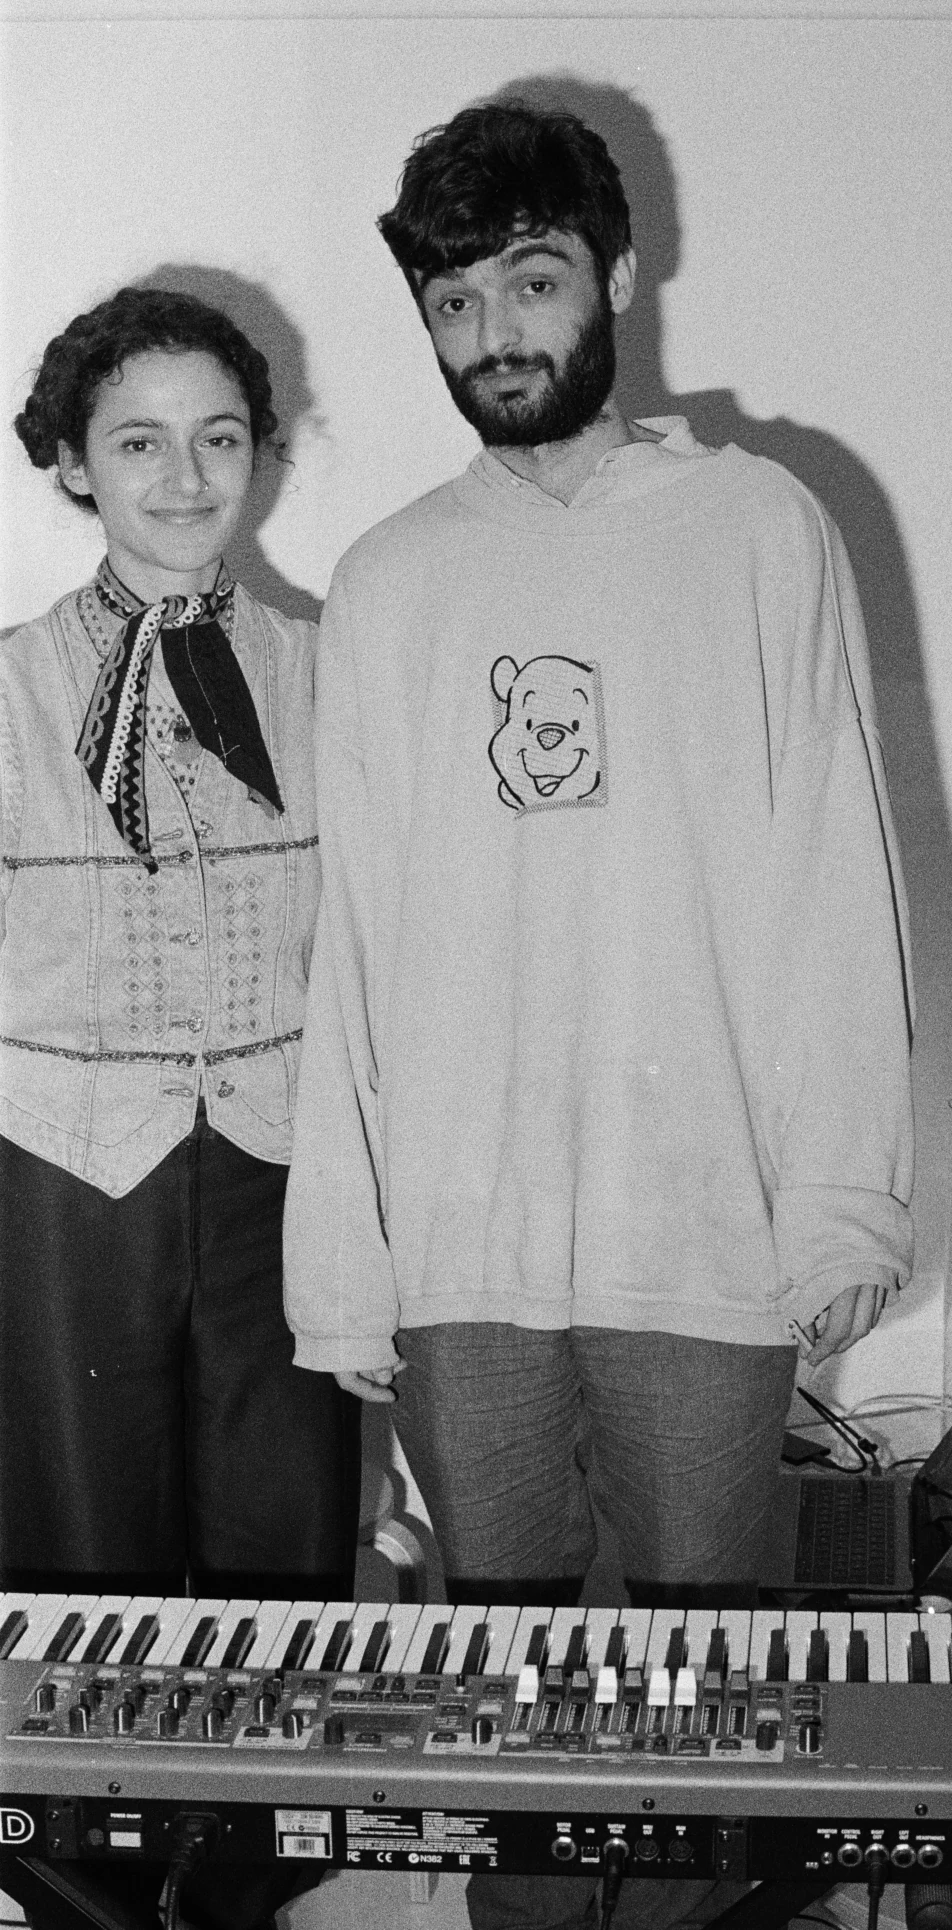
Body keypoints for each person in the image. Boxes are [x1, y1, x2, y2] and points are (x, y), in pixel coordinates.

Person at [283, 100, 913, 1930]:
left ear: (617, 277)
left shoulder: (759, 529)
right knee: (511, 1735)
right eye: (458, 301)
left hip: (700, 1231)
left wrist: (847, 1196)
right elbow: (363, 954)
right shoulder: (393, 581)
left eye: (532, 283)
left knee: (712, 1726)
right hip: (465, 1256)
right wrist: (348, 1262)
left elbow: (834, 880)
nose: (496, 336)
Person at [1, 286, 360, 1930]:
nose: (185, 474)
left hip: (282, 1157)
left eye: (219, 437)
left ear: (260, 456)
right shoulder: (6, 692)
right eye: (139, 440)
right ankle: (77, 1883)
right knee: (78, 1545)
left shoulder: (325, 669)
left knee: (284, 1541)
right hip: (69, 1170)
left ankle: (241, 1878)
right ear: (74, 463)